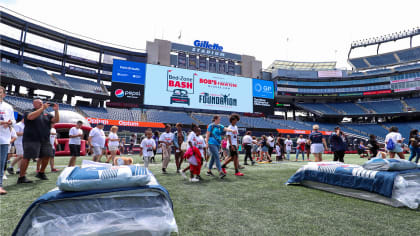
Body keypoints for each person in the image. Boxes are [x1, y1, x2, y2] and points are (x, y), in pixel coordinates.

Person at [18, 99, 59, 184]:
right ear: (34, 104)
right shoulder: (28, 111)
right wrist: (42, 108)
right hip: (31, 139)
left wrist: (56, 111)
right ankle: (21, 177)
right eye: (39, 103)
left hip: (44, 139)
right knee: (27, 157)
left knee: (47, 155)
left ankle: (41, 172)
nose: (41, 104)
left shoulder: (47, 114)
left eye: (42, 103)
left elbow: (56, 120)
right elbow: (31, 117)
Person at [0, 86, 15, 194]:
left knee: (1, 163)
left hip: (4, 139)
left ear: (4, 95)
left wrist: (9, 122)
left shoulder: (8, 107)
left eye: (0, 92)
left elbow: (13, 121)